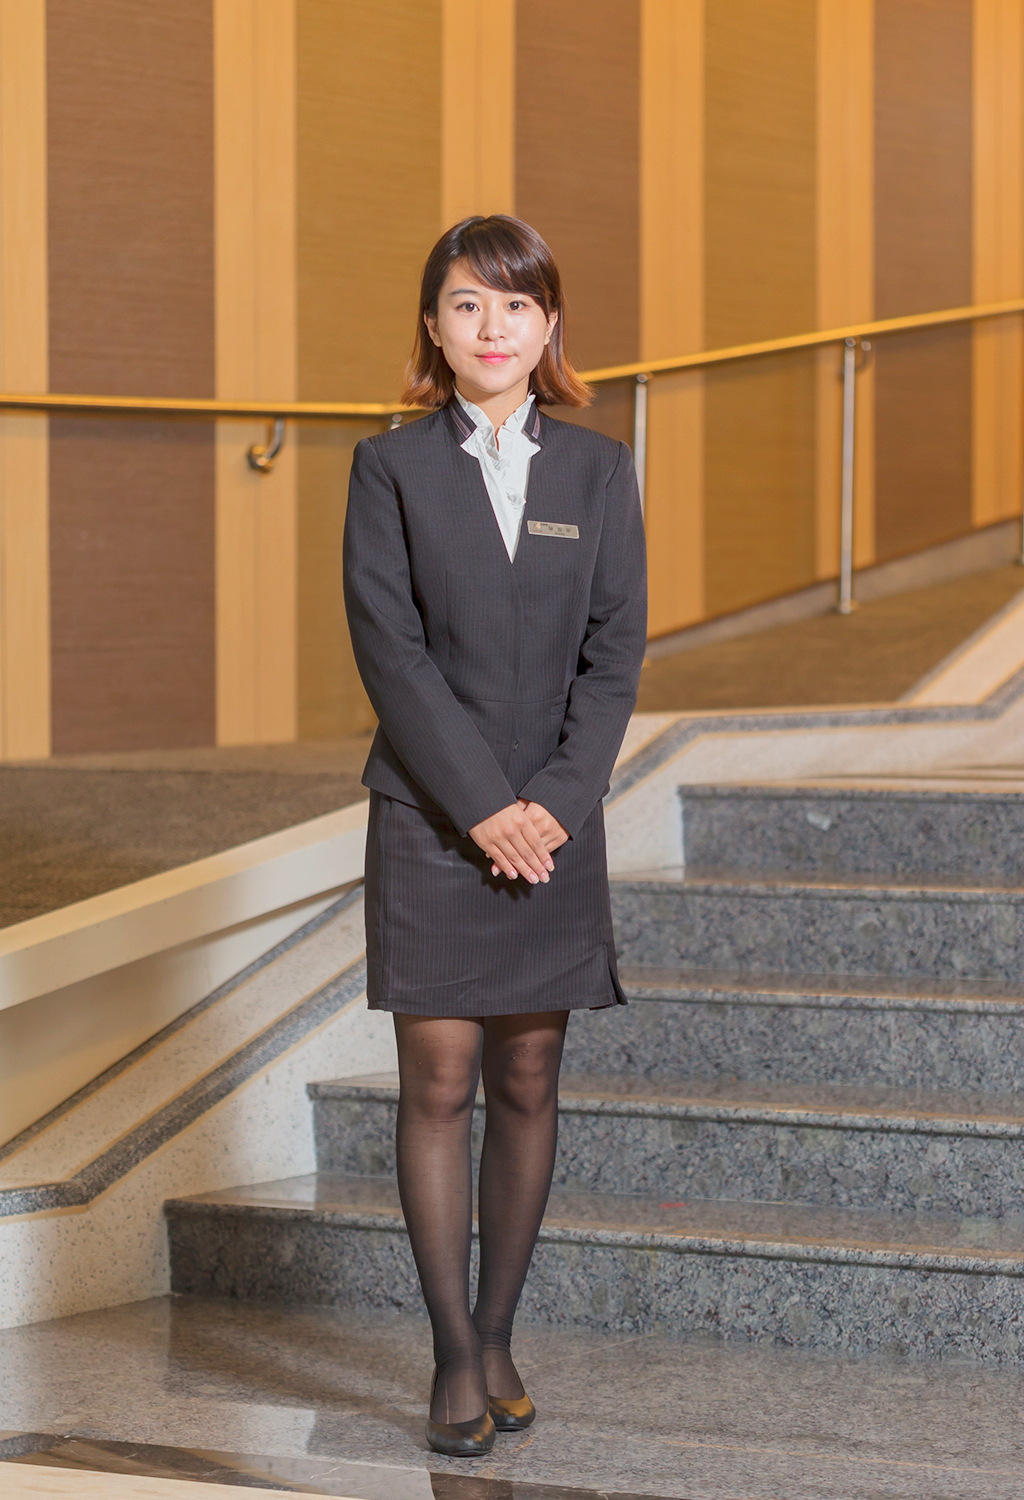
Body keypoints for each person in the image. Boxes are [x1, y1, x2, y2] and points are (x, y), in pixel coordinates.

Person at [343, 215, 647, 1457]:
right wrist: (482, 808)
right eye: (466, 304)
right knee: (439, 1083)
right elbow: (390, 652)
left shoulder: (597, 470)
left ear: (548, 325)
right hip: (432, 819)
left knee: (528, 1079)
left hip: (553, 826)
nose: (491, 327)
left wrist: (552, 807)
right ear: (433, 324)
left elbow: (614, 656)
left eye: (515, 305)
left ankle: (501, 1330)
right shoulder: (388, 469)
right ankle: (453, 1356)